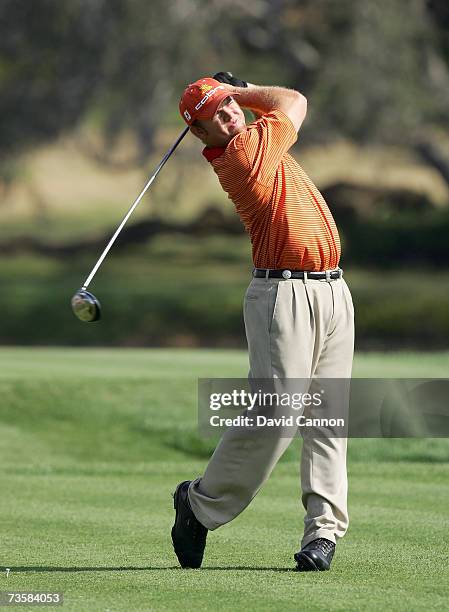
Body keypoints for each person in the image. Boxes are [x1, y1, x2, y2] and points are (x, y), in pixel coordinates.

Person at [171, 73, 354, 572]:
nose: (231, 116)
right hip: (283, 294)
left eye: (230, 107)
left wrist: (229, 95)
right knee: (276, 415)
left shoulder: (258, 139)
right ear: (204, 136)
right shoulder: (243, 154)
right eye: (218, 116)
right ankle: (199, 505)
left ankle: (323, 534)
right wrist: (245, 89)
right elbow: (295, 99)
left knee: (328, 419)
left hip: (333, 289)